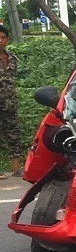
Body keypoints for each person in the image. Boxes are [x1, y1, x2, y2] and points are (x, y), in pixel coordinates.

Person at [0, 25, 23, 178]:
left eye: (2, 37)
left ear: (7, 39)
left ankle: (16, 169)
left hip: (10, 103)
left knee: (14, 135)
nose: (0, 40)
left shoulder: (12, 57)